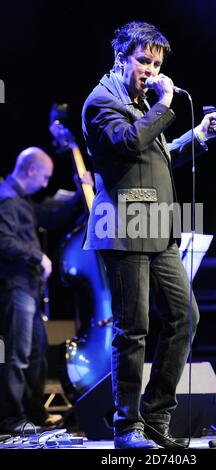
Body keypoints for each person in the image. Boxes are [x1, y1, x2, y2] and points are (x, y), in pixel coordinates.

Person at [82, 21, 216, 449]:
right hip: (123, 228)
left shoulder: (144, 102)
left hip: (159, 229)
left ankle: (156, 415)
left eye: (157, 63)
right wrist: (163, 105)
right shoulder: (100, 102)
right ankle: (126, 428)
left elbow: (155, 155)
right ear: (121, 58)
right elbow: (128, 143)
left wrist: (197, 136)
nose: (151, 69)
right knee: (134, 328)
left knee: (185, 316)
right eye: (143, 61)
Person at [0, 146, 93, 433]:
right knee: (18, 354)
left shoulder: (21, 199)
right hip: (15, 286)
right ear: (30, 170)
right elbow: (3, 240)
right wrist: (37, 255)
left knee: (36, 351)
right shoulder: (5, 198)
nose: (45, 183)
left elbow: (49, 217)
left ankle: (35, 416)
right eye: (44, 177)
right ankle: (12, 419)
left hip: (27, 288)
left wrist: (81, 192)